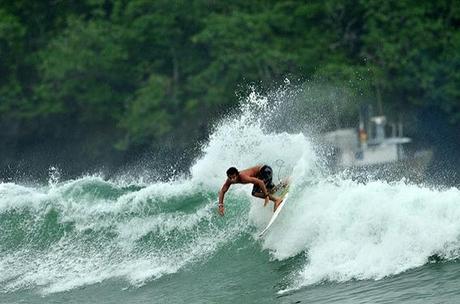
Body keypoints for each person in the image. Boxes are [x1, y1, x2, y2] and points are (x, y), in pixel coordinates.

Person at [218, 165, 283, 216]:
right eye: (230, 178)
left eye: (234, 177)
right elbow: (223, 191)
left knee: (255, 193)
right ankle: (284, 184)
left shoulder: (243, 177)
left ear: (237, 174)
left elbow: (260, 182)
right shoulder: (229, 181)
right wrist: (220, 205)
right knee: (270, 190)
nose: (232, 179)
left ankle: (276, 200)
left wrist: (266, 196)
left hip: (265, 171)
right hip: (263, 174)